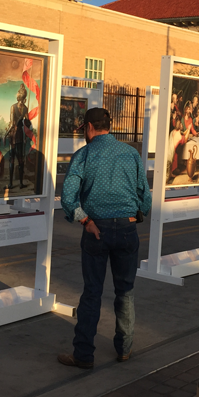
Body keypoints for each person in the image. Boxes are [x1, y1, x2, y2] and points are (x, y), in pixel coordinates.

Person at [59, 108, 152, 369]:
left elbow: (68, 197)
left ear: (89, 127)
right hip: (126, 229)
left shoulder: (84, 155)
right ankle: (124, 348)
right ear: (108, 126)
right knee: (126, 292)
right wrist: (136, 216)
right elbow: (145, 197)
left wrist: (84, 220)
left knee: (92, 293)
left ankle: (84, 354)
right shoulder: (131, 153)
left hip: (95, 231)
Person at [5, 84, 31, 189]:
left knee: (12, 159)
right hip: (20, 134)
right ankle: (20, 183)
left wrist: (5, 134)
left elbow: (11, 124)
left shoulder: (13, 107)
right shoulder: (25, 108)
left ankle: (11, 183)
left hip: (13, 135)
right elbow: (27, 123)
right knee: (20, 160)